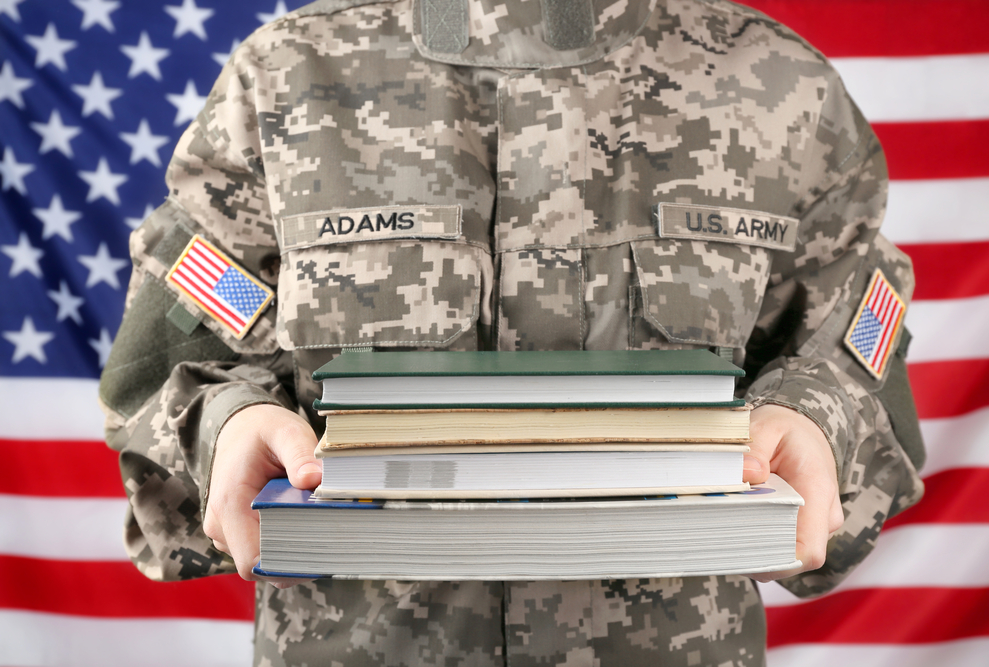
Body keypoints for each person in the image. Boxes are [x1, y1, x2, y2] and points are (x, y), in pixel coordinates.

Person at [99, 0, 926, 664]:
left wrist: (815, 415)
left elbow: (853, 336)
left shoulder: (781, 88)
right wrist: (229, 422)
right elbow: (184, 333)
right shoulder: (282, 80)